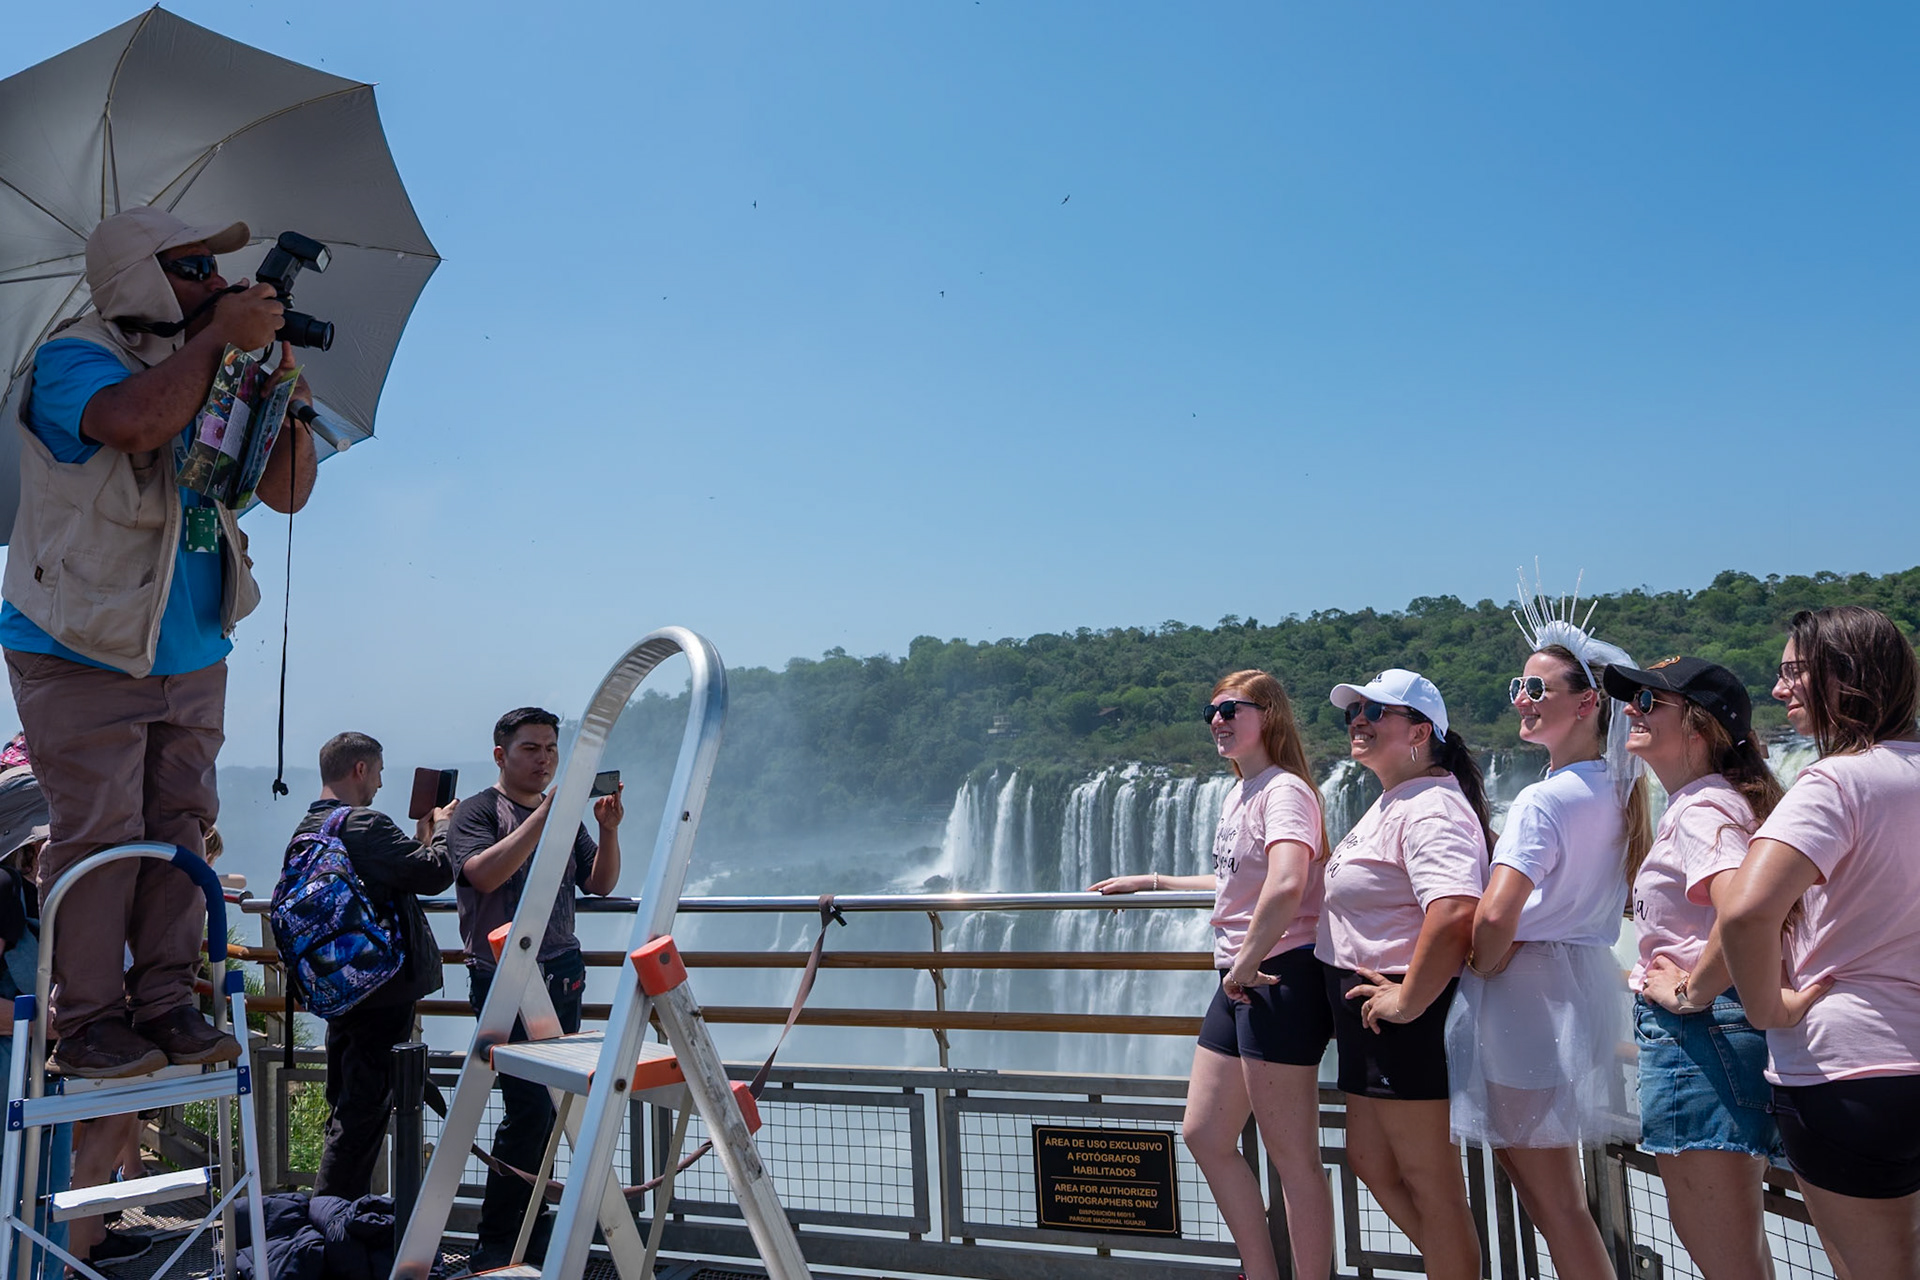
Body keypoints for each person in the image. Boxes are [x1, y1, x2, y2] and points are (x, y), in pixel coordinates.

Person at [0, 206, 317, 1078]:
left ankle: (170, 1002)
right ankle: (92, 1020)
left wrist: (283, 403)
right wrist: (220, 341)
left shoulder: (214, 364)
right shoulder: (73, 357)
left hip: (190, 648)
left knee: (182, 828)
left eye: (216, 272)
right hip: (79, 643)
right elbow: (136, 424)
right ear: (137, 276)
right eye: (192, 268)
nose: (217, 283)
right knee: (100, 831)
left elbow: (286, 494)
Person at [1091, 670, 1334, 1280]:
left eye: (1232, 709)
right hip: (1242, 975)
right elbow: (1238, 885)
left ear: (1270, 716)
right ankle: (1261, 1270)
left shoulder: (1285, 792)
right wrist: (1154, 882)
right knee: (1203, 1132)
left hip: (1277, 975)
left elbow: (1287, 884)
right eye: (1212, 711)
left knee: (1293, 1158)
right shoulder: (1240, 792)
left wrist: (1246, 964)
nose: (1217, 720)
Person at [1445, 598, 1648, 1280]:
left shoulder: (1545, 798)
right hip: (1576, 990)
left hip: (1525, 997)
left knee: (1554, 1200)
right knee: (1550, 1191)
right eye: (1518, 687)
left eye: (1537, 690)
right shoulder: (1615, 789)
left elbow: (1499, 915)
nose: (1522, 701)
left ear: (1588, 703)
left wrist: (1476, 963)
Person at [1721, 606, 1919, 1278]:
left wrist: (1765, 1009)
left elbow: (1746, 913)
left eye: (1794, 674)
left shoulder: (1837, 780)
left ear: (1848, 677)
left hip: (1849, 1072)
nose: (1777, 692)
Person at [1601, 657, 1784, 1280]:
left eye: (1650, 702)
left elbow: (1743, 912)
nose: (1631, 709)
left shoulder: (1703, 807)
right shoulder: (1706, 803)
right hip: (1707, 1038)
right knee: (1731, 1246)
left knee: (1721, 1252)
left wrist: (1689, 991)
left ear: (1700, 727)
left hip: (1699, 1039)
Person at [1318, 669, 1489, 1280]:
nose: (1358, 721)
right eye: (1354, 712)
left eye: (1376, 712)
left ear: (1421, 732)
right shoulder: (1396, 799)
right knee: (1369, 1159)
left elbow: (1454, 914)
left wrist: (1408, 1001)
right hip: (1372, 1018)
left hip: (1404, 1020)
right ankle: (1452, 1265)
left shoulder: (1432, 807)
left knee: (1430, 1182)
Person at [449, 707, 625, 1269]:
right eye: (531, 748)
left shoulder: (564, 816)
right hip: (501, 975)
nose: (544, 758)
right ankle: (500, 1241)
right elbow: (483, 874)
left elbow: (599, 883)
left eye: (551, 748)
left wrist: (607, 827)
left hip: (561, 970)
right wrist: (544, 817)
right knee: (526, 1110)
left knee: (553, 1111)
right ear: (501, 755)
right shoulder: (476, 811)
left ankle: (534, 1231)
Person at [288, 732, 455, 1199]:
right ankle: (332, 1225)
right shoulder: (364, 824)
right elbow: (436, 873)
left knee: (347, 1103)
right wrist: (442, 827)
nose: (380, 784)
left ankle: (334, 1214)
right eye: (378, 772)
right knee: (363, 1113)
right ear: (360, 769)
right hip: (380, 989)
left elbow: (399, 872)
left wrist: (418, 845)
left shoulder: (309, 828)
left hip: (338, 985)